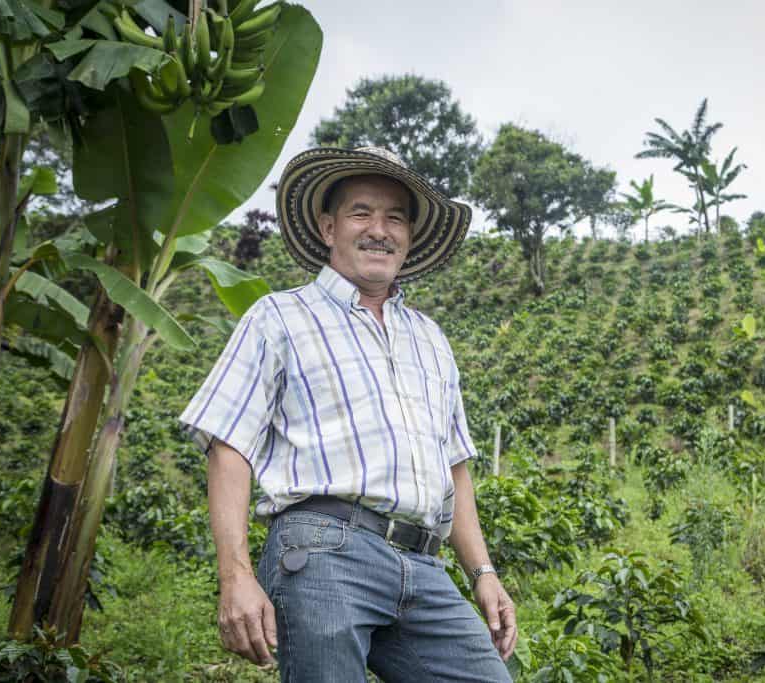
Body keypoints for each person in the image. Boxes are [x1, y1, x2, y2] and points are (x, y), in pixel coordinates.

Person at [180, 147, 517, 682]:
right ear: (328, 226)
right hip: (323, 549)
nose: (379, 230)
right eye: (362, 213)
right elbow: (230, 445)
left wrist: (483, 572)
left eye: (396, 217)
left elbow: (454, 468)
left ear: (409, 235)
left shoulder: (430, 338)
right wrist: (235, 575)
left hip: (423, 564)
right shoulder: (279, 317)